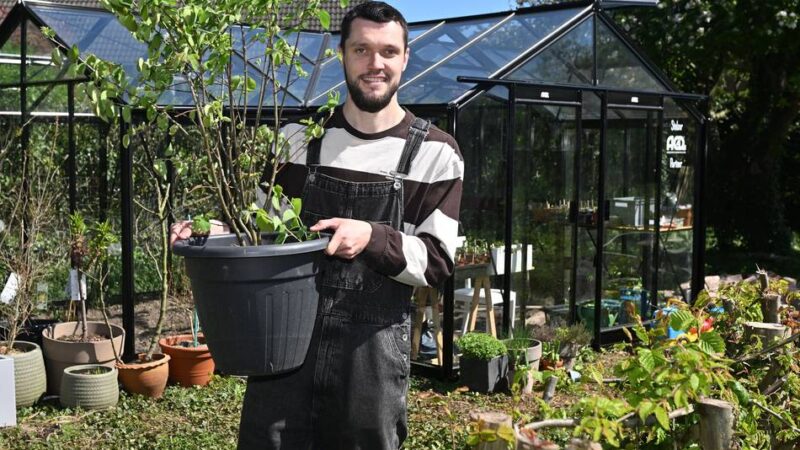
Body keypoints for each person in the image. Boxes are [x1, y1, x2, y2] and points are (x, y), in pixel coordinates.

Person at [172, 2, 462, 449]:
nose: (375, 63)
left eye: (388, 51)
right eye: (361, 49)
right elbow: (260, 232)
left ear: (405, 58)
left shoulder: (435, 153)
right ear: (341, 53)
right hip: (283, 349)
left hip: (370, 362)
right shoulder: (297, 139)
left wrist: (371, 236)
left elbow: (437, 261)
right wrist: (214, 231)